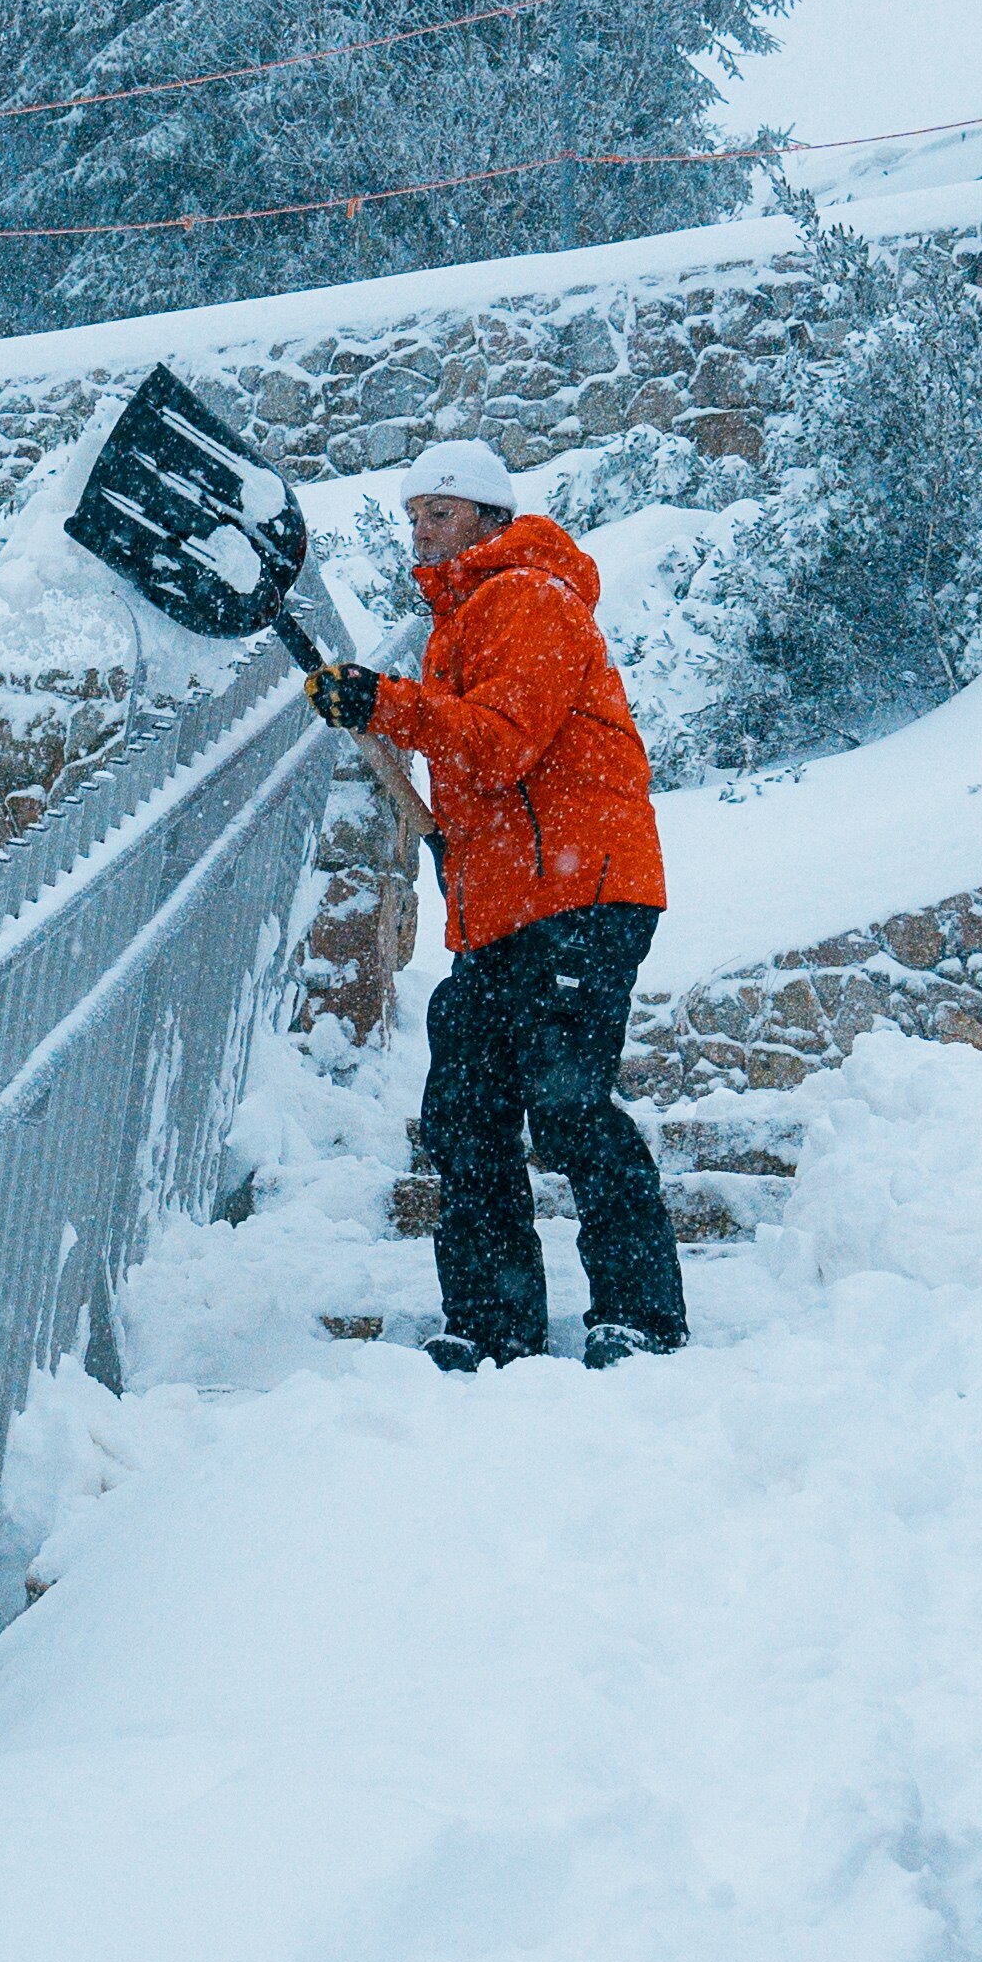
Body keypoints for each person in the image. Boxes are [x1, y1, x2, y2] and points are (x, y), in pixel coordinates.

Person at [304, 439, 687, 1371]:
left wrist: (388, 705)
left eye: (440, 512)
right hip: (501, 911)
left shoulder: (531, 598)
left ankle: (641, 1316)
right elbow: (478, 781)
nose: (420, 531)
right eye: (411, 516)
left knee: (569, 1108)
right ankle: (492, 1323)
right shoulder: (455, 627)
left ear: (486, 516)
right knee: (466, 1117)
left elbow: (504, 741)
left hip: (581, 896)